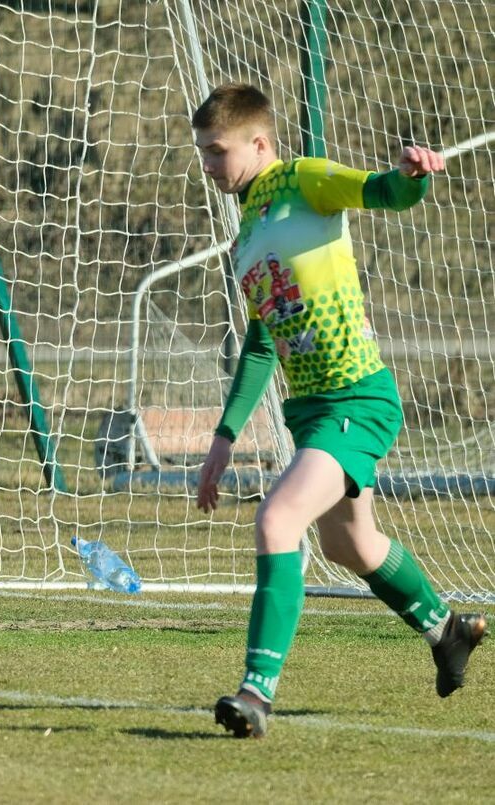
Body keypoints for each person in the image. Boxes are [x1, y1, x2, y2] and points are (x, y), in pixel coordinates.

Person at [191, 83, 484, 738]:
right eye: (203, 153)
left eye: (217, 150)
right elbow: (263, 340)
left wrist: (412, 177)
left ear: (259, 143)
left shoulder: (306, 181)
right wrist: (224, 435)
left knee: (278, 520)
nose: (208, 165)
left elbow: (380, 190)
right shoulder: (245, 236)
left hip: (357, 398)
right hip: (312, 413)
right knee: (348, 541)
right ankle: (448, 630)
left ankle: (255, 693)